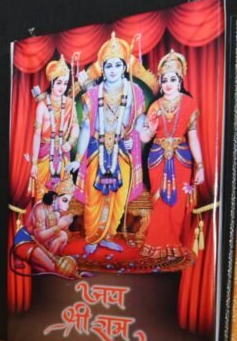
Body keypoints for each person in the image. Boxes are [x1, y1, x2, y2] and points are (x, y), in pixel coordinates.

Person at [73, 32, 147, 256]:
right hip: (96, 149)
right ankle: (93, 236)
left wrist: (134, 138)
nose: (113, 70)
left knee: (118, 197)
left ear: (124, 67)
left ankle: (108, 236)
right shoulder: (92, 94)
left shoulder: (134, 92)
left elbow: (140, 122)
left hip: (122, 150)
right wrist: (77, 159)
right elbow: (86, 128)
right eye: (108, 66)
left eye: (117, 65)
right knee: (94, 196)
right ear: (102, 69)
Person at [139, 50, 205, 260]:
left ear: (180, 80)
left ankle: (173, 244)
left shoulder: (189, 103)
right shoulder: (155, 106)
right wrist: (150, 129)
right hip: (158, 157)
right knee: (160, 203)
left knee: (177, 204)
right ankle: (156, 245)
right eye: (164, 79)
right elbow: (144, 138)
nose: (168, 84)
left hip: (182, 159)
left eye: (173, 79)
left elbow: (193, 136)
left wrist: (200, 165)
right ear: (160, 82)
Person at [29, 56, 78, 200]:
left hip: (63, 153)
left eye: (65, 83)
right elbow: (37, 135)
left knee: (63, 197)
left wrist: (70, 142)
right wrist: (33, 163)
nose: (62, 87)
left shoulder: (70, 103)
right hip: (44, 154)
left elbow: (75, 126)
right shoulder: (42, 105)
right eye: (58, 83)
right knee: (41, 196)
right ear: (51, 82)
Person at [11, 179, 79, 278]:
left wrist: (64, 226)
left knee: (63, 236)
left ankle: (47, 261)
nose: (67, 206)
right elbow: (40, 236)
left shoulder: (57, 212)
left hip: (41, 244)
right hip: (27, 242)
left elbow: (54, 234)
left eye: (69, 201)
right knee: (54, 269)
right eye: (64, 200)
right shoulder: (40, 208)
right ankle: (20, 255)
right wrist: (59, 227)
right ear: (55, 197)